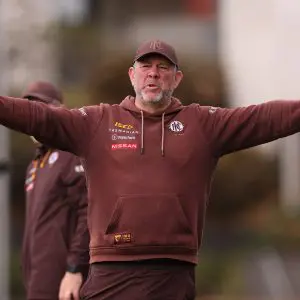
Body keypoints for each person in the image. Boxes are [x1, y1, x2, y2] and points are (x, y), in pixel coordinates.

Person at [1, 40, 300, 300]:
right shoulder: (97, 122)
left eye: (163, 67)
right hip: (110, 270)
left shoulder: (203, 124)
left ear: (177, 78)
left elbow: (264, 118)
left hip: (173, 271)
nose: (153, 73)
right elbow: (40, 118)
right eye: (145, 66)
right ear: (132, 75)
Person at [20, 81, 90, 300]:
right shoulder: (35, 164)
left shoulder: (70, 155)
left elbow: (89, 214)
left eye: (39, 108)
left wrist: (74, 268)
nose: (33, 117)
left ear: (57, 110)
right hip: (37, 279)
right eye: (28, 110)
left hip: (63, 281)